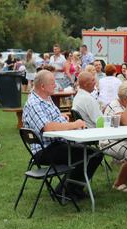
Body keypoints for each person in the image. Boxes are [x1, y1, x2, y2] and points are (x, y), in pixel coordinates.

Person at [22, 70, 103, 199]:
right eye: (53, 83)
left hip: (56, 144)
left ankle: (71, 189)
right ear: (42, 86)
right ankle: (66, 190)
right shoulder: (34, 103)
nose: (56, 85)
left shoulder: (46, 99)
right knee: (91, 154)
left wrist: (61, 117)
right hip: (45, 150)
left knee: (93, 154)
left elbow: (51, 120)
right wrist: (73, 125)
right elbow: (48, 128)